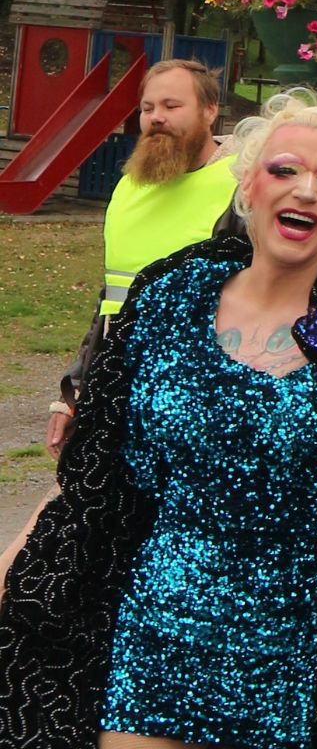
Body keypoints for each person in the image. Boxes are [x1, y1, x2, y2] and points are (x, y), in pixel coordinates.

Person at [0, 92, 317, 749]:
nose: (307, 188)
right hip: (157, 629)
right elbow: (95, 476)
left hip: (288, 650)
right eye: (285, 169)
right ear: (249, 186)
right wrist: (14, 559)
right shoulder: (167, 297)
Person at [45, 59, 241, 460]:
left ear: (210, 110)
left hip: (204, 401)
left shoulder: (244, 190)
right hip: (119, 389)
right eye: (148, 108)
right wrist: (75, 390)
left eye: (172, 106)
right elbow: (112, 301)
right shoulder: (130, 187)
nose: (156, 118)